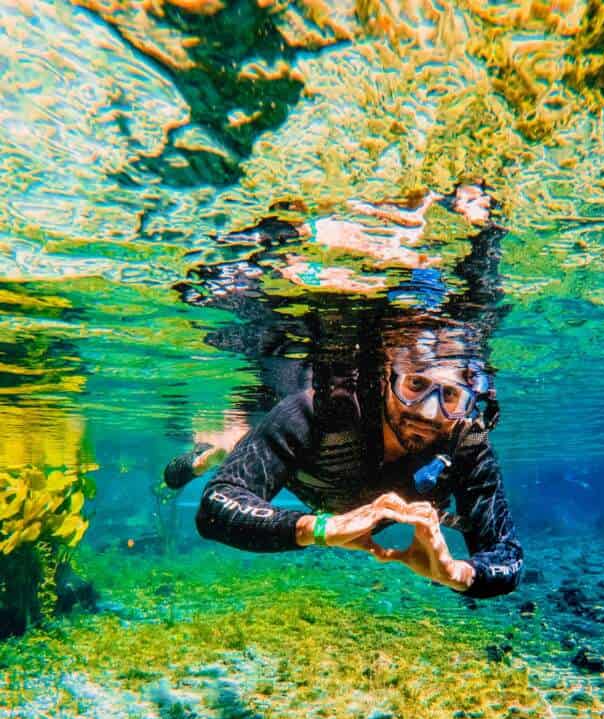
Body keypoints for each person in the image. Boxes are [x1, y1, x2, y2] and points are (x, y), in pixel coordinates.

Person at [167, 186, 524, 599]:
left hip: (336, 491)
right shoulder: (319, 411)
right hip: (309, 485)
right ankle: (219, 448)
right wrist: (318, 527)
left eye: (451, 396)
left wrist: (460, 573)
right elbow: (215, 508)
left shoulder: (465, 441)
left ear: (472, 396)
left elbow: (507, 554)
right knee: (228, 454)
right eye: (416, 385)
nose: (429, 412)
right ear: (387, 374)